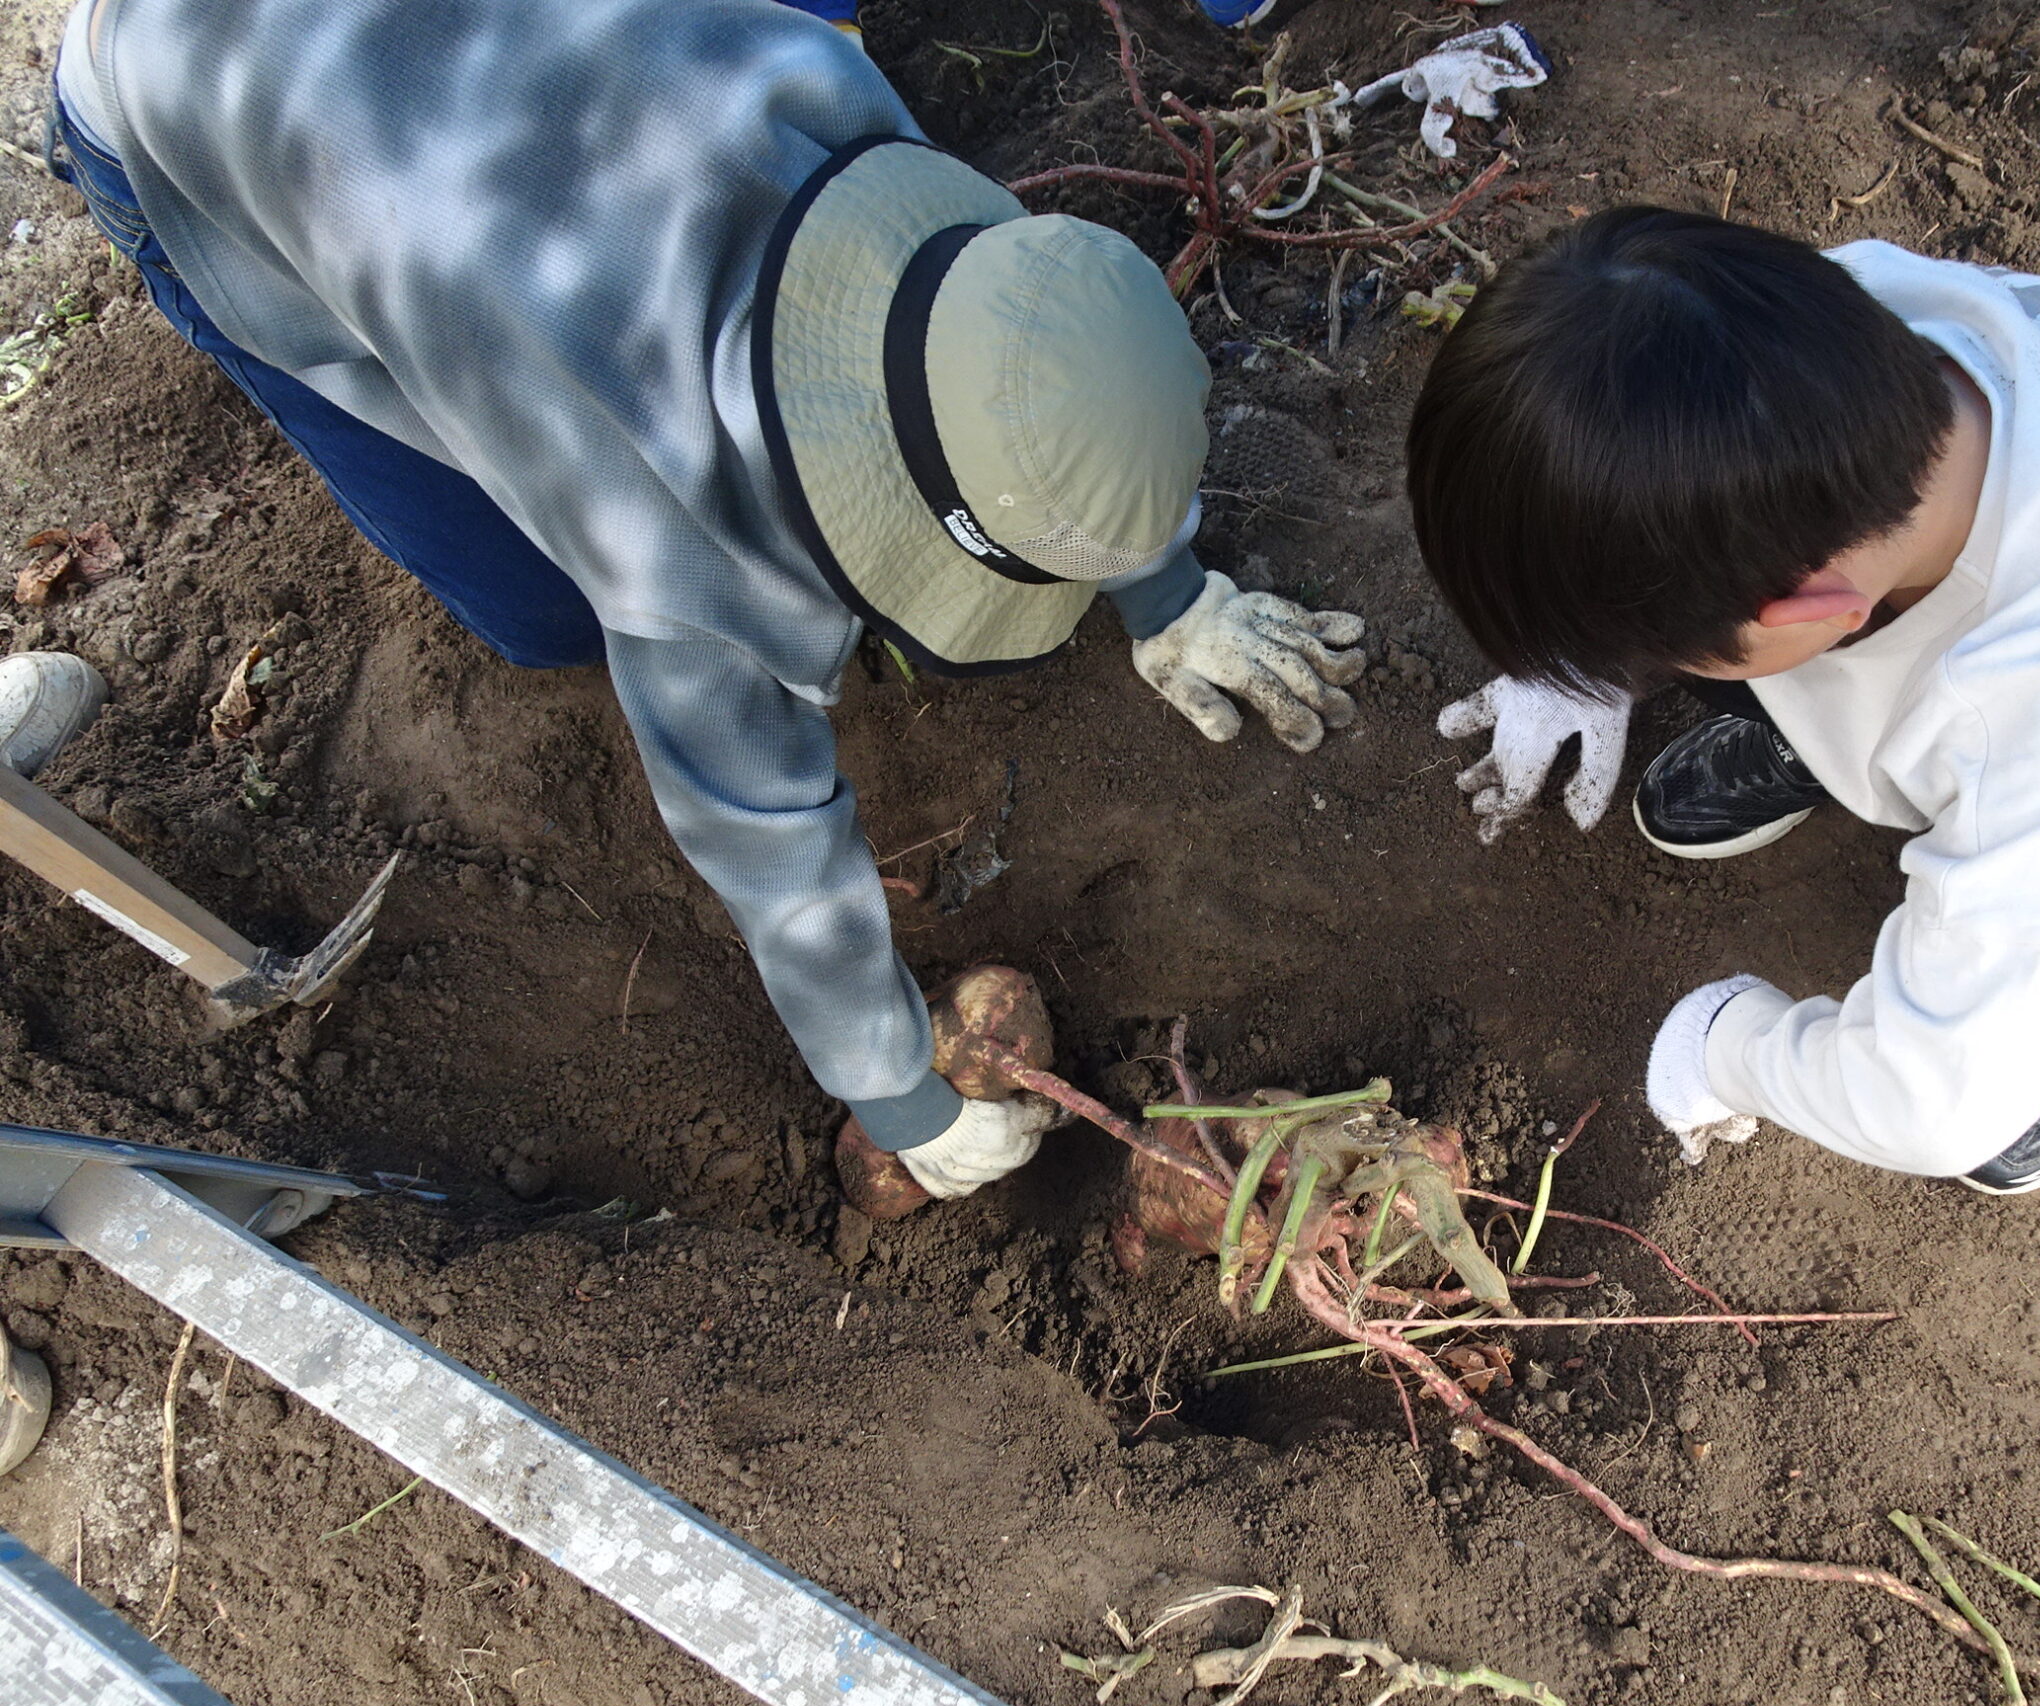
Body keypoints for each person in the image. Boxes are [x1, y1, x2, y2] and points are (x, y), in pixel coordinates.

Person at [47, 0, 1369, 1205]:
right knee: (542, 615)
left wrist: (1170, 589)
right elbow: (768, 843)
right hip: (174, 107)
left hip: (459, 91)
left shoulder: (835, 112)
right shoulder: (664, 539)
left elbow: (1030, 383)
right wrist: (898, 1096)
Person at [1408, 210, 2040, 1193]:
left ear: (1819, 611)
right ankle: (1823, 736)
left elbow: (1924, 1103)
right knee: (1775, 653)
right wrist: (1582, 645)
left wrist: (1727, 1047)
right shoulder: (1817, 322)